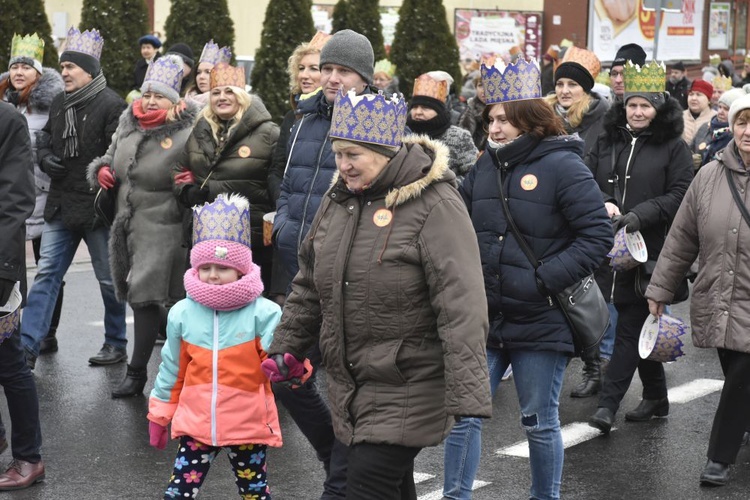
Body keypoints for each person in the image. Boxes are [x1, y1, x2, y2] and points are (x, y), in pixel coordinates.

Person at [265, 88, 492, 500]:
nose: (342, 165)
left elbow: (461, 303)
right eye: (337, 153)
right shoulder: (339, 201)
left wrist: (467, 391)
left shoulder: (435, 202)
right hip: (351, 381)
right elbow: (310, 282)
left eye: (353, 155)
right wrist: (287, 346)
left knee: (359, 488)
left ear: (385, 151)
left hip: (408, 382)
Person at [443, 57, 612, 500]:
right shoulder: (483, 167)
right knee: (465, 414)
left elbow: (596, 237)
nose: (494, 128)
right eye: (490, 119)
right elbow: (452, 222)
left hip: (542, 317)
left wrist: (542, 280)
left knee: (538, 418)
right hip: (487, 315)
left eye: (504, 119)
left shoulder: (562, 165)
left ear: (529, 120)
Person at [272, 29, 376, 498]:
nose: (331, 78)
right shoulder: (305, 117)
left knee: (344, 387)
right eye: (327, 68)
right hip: (299, 266)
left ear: (365, 77)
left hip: (351, 274)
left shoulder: (377, 118)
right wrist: (286, 229)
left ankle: (339, 474)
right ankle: (332, 455)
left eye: (343, 71)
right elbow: (290, 184)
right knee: (286, 374)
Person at [645, 93, 750, 487]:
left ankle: (719, 457)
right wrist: (661, 288)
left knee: (742, 375)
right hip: (719, 295)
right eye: (742, 122)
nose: (748, 131)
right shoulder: (709, 175)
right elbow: (682, 237)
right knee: (736, 369)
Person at [148, 194, 283, 499]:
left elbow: (281, 360)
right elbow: (172, 368)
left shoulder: (264, 313)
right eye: (205, 267)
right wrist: (159, 414)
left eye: (221, 267)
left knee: (254, 492)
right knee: (178, 493)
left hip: (247, 424)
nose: (212, 275)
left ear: (241, 269)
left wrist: (293, 367)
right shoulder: (182, 312)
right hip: (196, 425)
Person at [586, 61, 693, 434]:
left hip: (651, 252)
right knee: (635, 321)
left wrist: (639, 215)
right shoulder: (606, 138)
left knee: (630, 326)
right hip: (607, 247)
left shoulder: (674, 147)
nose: (637, 112)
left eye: (645, 105)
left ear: (658, 107)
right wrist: (602, 201)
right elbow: (582, 177)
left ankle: (607, 406)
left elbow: (681, 194)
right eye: (632, 105)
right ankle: (657, 396)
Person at [88, 55, 197, 398]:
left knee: (143, 297)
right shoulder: (128, 123)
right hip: (125, 224)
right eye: (147, 93)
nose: (150, 101)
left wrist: (189, 181)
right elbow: (110, 155)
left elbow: (198, 170)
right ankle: (191, 358)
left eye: (159, 96)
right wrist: (102, 170)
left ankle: (136, 374)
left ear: (175, 101)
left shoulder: (187, 130)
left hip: (163, 224)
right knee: (157, 301)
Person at [21, 26, 128, 369]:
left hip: (97, 207)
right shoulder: (58, 101)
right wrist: (44, 156)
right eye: (62, 66)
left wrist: (103, 170)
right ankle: (27, 345)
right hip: (60, 203)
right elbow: (46, 140)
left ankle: (116, 342)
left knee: (107, 279)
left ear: (90, 70)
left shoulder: (113, 104)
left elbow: (120, 152)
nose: (63, 72)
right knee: (47, 273)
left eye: (70, 67)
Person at [175, 62, 278, 290]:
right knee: (205, 299)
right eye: (216, 93)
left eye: (229, 91)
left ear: (242, 95)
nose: (222, 98)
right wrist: (186, 191)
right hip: (206, 233)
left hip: (250, 237)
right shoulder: (199, 129)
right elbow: (179, 171)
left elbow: (277, 182)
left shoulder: (269, 133)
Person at [0, 33, 65, 355]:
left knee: (47, 268)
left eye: (26, 66)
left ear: (38, 72)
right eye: (15, 66)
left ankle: (47, 331)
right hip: (13, 193)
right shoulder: (6, 106)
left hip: (43, 193)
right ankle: (15, 331)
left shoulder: (53, 103)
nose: (19, 71)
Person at [0, 101, 44, 491]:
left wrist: (3, 270)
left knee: (9, 364)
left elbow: (14, 200)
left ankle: (29, 457)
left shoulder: (7, 119)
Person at [268, 31, 330, 303]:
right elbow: (278, 168)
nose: (305, 75)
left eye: (314, 69)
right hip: (292, 224)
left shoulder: (344, 115)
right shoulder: (292, 117)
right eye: (301, 68)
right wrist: (284, 214)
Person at [407, 71, 478, 181]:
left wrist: (446, 187)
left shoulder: (459, 137)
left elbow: (473, 175)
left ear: (439, 111)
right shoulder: (403, 135)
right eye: (415, 107)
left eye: (426, 108)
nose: (418, 112)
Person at [546, 58, 609, 158]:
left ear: (584, 90)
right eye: (560, 84)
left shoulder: (603, 120)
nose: (564, 91)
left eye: (572, 85)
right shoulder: (543, 116)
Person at [690, 87, 747, 168]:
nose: (720, 112)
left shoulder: (736, 134)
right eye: (719, 107)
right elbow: (690, 149)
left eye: (726, 109)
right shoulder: (706, 127)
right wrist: (691, 160)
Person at [186, 39, 231, 108]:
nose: (201, 77)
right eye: (198, 72)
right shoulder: (184, 102)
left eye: (208, 72)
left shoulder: (226, 106)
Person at [458, 74, 487, 150]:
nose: (484, 90)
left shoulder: (507, 110)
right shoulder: (471, 109)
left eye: (489, 84)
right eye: (480, 85)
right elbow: (462, 142)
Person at [683, 79, 717, 145]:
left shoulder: (715, 118)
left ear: (708, 100)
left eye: (698, 95)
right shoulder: (678, 116)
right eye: (691, 94)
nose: (693, 98)